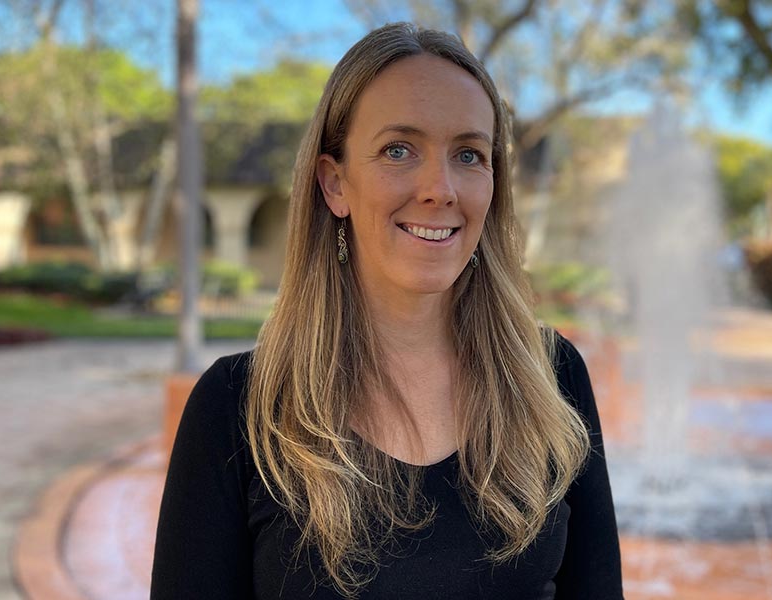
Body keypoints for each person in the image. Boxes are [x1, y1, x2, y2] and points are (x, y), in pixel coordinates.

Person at [151, 22, 622, 599]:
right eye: (399, 149)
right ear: (334, 184)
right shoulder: (236, 410)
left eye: (469, 154)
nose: (440, 188)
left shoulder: (552, 377)